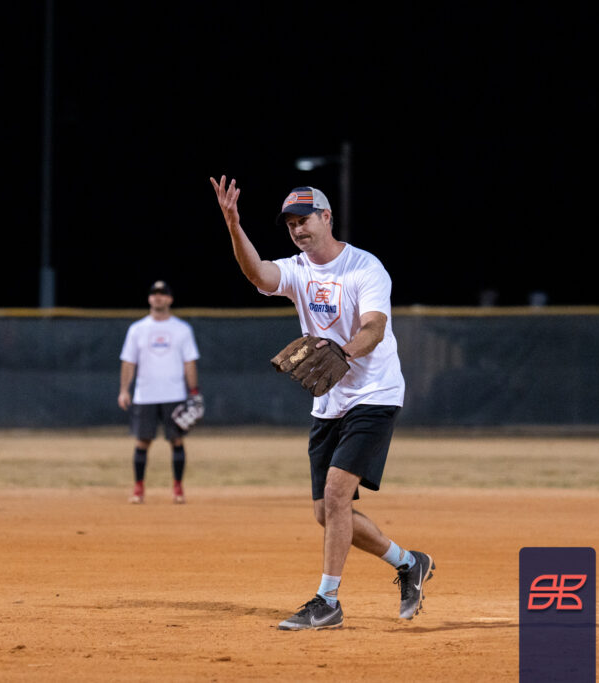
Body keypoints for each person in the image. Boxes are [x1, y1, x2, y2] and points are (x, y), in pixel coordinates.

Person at [210, 176, 433, 630]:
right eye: (291, 224)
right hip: (329, 400)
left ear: (327, 217)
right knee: (327, 512)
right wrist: (234, 225)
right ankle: (409, 562)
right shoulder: (297, 270)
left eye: (304, 220)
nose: (297, 229)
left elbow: (374, 328)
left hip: (374, 393)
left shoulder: (365, 268)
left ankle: (327, 602)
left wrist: (342, 353)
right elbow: (258, 274)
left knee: (335, 494)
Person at [118, 280, 201, 504]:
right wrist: (124, 390)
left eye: (163, 293)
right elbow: (128, 362)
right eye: (154, 293)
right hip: (145, 394)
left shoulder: (182, 329)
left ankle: (178, 489)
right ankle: (138, 489)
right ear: (149, 298)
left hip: (174, 394)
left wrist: (194, 391)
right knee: (142, 441)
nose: (158, 297)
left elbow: (189, 363)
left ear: (170, 299)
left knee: (177, 440)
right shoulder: (137, 329)